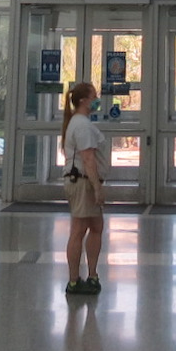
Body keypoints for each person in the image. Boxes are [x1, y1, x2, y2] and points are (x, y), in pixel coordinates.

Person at [61, 81, 106, 295]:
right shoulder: (81, 125)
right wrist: (96, 187)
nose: (97, 100)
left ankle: (93, 274)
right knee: (79, 230)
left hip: (82, 181)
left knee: (96, 227)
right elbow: (88, 158)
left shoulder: (80, 123)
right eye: (93, 96)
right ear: (83, 101)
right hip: (82, 183)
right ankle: (74, 281)